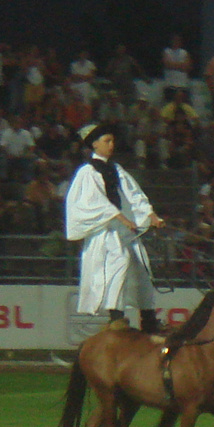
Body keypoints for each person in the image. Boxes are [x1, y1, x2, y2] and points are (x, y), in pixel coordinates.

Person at [64, 124, 165, 333]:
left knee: (141, 265)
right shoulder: (87, 172)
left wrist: (150, 214)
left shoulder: (116, 169)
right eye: (106, 141)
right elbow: (94, 202)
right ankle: (116, 316)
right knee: (118, 263)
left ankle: (148, 317)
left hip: (122, 229)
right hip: (106, 231)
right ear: (94, 144)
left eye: (112, 141)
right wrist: (119, 217)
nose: (111, 145)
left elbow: (133, 193)